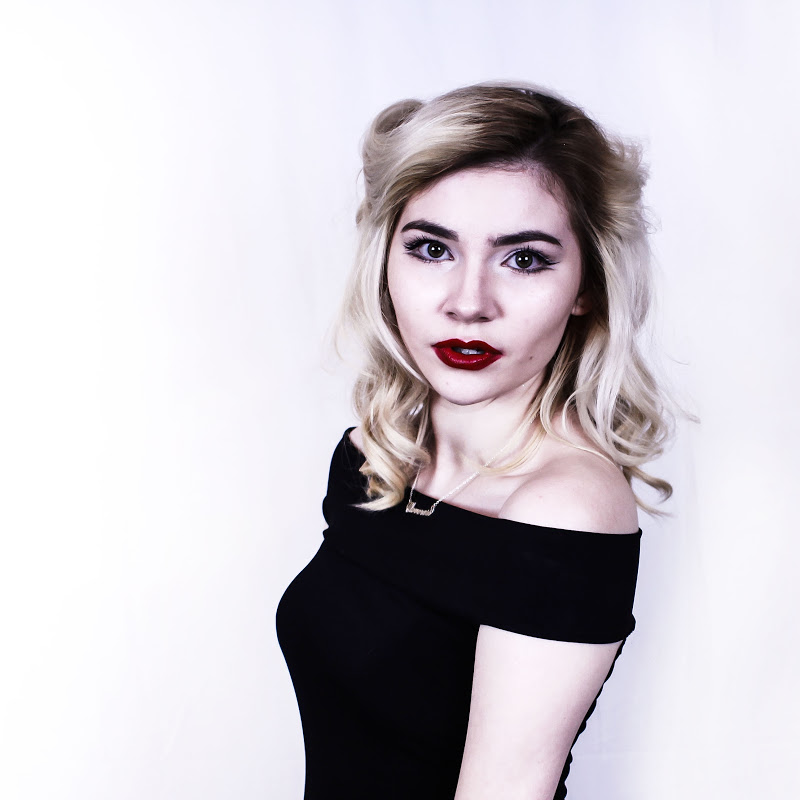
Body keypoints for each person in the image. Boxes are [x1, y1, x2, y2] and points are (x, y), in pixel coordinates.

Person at [276, 82, 674, 800]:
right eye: (432, 249)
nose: (468, 302)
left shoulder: (566, 512)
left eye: (523, 259)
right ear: (385, 261)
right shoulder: (379, 456)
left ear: (586, 284)